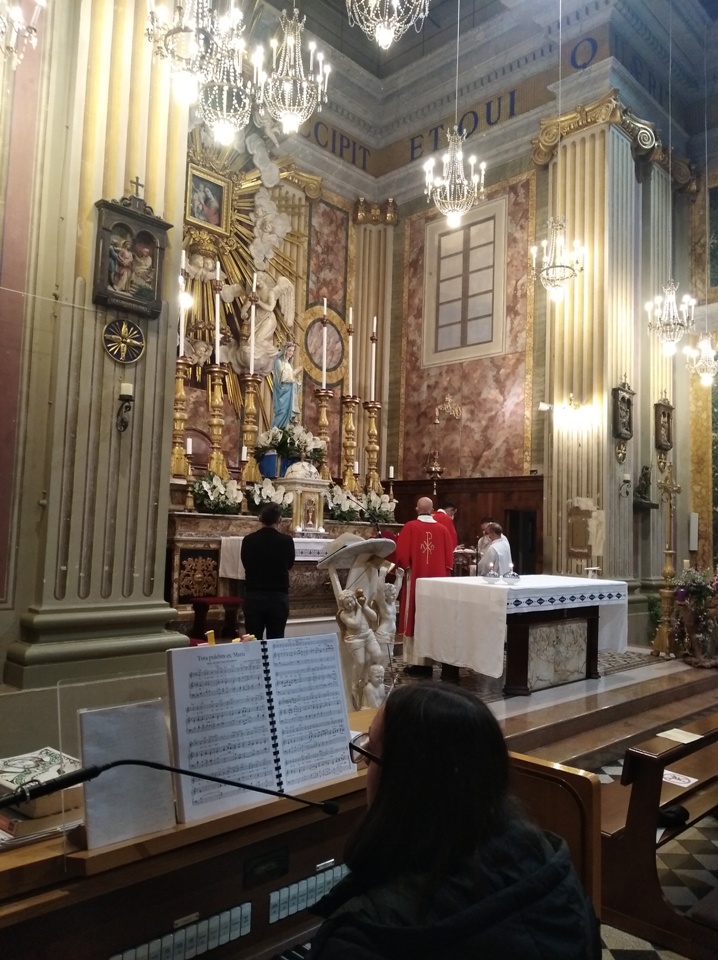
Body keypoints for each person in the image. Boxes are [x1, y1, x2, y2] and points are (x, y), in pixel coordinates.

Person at [309, 683, 600, 960]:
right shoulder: (552, 866)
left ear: (403, 783)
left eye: (370, 753)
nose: (366, 764)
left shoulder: (365, 939)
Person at [394, 497, 453, 678]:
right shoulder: (443, 530)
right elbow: (449, 561)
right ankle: (433, 659)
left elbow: (402, 556)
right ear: (432, 509)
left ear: (417, 509)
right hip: (437, 584)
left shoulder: (410, 527)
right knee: (433, 617)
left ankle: (418, 663)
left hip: (416, 580)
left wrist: (406, 567)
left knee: (415, 615)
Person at [240, 502, 295, 639]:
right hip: (278, 596)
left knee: (253, 639)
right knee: (276, 640)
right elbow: (289, 564)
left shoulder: (249, 540)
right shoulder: (287, 541)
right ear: (279, 520)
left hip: (254, 595)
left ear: (260, 518)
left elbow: (246, 563)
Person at [272, 341, 302, 429]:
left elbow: (292, 379)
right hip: (282, 394)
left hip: (289, 393)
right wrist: (295, 372)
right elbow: (283, 377)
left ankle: (285, 431)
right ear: (285, 350)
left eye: (292, 351)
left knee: (287, 414)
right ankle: (276, 431)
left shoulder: (289, 364)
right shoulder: (278, 362)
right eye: (289, 350)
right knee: (282, 412)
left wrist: (297, 381)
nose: (291, 353)